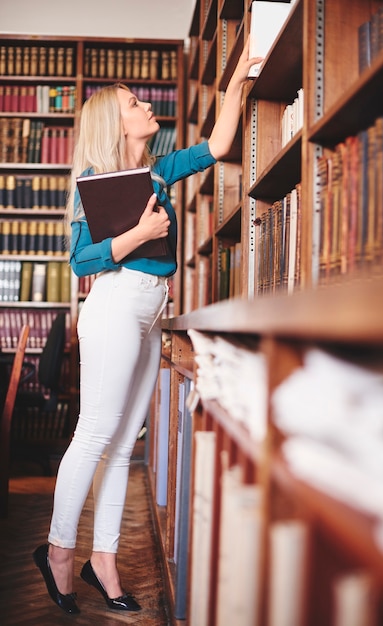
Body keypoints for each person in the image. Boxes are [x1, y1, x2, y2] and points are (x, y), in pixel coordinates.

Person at [33, 38, 262, 615]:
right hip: (114, 305)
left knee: (121, 443)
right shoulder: (96, 181)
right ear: (117, 121)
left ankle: (102, 560)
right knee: (95, 433)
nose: (144, 107)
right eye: (134, 102)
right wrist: (136, 236)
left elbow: (217, 145)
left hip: (150, 308)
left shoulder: (157, 169)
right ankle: (59, 551)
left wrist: (236, 84)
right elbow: (82, 261)